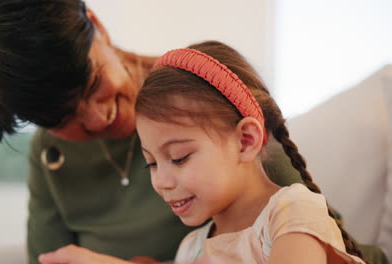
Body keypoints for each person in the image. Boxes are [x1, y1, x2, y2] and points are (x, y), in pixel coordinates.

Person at [0, 1, 387, 264]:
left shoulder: (206, 101)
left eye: (92, 85)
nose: (96, 118)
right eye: (62, 120)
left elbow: (321, 231)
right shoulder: (49, 159)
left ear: (98, 26)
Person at [38, 41, 370, 264]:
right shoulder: (192, 249)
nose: (162, 181)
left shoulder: (291, 215)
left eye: (179, 157)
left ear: (245, 141)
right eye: (151, 163)